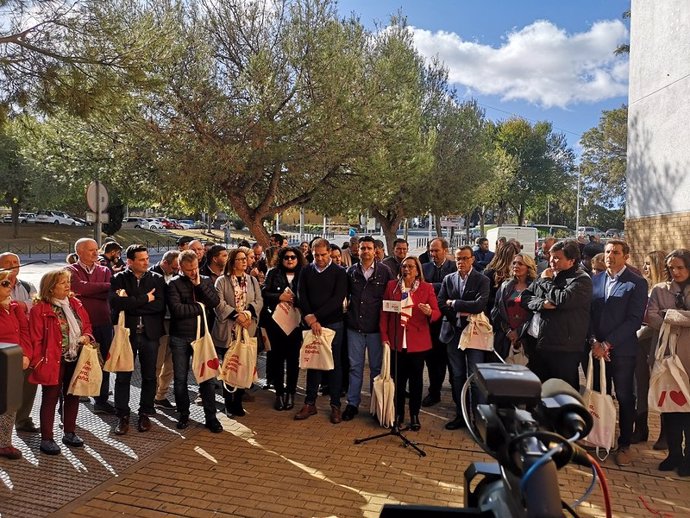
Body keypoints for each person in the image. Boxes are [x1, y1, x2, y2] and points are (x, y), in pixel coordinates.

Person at [588, 240, 648, 467]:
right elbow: (589, 315)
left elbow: (634, 320)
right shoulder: (595, 280)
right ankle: (599, 438)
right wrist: (594, 342)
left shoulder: (637, 283)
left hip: (621, 352)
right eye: (607, 252)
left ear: (626, 256)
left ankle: (624, 444)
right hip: (596, 351)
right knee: (599, 395)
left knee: (624, 397)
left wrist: (608, 344)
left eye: (615, 252)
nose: (610, 256)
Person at [28, 269, 93, 455]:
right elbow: (36, 339)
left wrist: (87, 336)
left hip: (75, 356)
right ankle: (47, 438)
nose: (67, 285)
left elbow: (86, 324)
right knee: (50, 398)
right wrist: (39, 362)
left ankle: (69, 432)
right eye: (62, 282)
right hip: (52, 360)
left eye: (68, 281)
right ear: (50, 288)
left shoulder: (75, 303)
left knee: (73, 394)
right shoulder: (40, 309)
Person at [109, 245, 166, 435]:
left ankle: (145, 412)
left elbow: (159, 306)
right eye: (141, 259)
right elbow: (116, 303)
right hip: (127, 334)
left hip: (150, 334)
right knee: (123, 376)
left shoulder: (157, 279)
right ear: (130, 262)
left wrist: (133, 303)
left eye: (147, 258)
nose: (146, 262)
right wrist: (145, 299)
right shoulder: (119, 279)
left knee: (150, 376)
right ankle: (122, 415)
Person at [521, 240, 592, 390]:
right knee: (538, 391)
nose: (552, 261)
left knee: (562, 392)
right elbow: (525, 297)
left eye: (557, 258)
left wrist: (547, 282)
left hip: (563, 348)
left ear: (571, 260)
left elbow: (562, 299)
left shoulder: (581, 280)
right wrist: (541, 304)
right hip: (539, 343)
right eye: (551, 257)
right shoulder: (547, 274)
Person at [380, 256, 441, 431]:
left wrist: (429, 312)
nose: (407, 269)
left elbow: (437, 312)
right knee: (398, 381)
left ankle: (414, 414)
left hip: (418, 342)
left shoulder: (426, 287)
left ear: (417, 270)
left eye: (411, 267)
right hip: (396, 341)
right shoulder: (392, 286)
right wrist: (384, 336)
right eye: (404, 266)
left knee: (416, 381)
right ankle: (398, 414)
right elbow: (384, 313)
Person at [166, 250, 222, 432]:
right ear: (180, 267)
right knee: (180, 379)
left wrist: (198, 286)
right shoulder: (173, 284)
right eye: (189, 270)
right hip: (180, 337)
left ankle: (211, 417)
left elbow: (214, 302)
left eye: (195, 268)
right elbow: (176, 310)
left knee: (207, 378)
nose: (193, 272)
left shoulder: (204, 280)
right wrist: (200, 307)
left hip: (202, 336)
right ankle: (183, 414)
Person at [646, 249, 690, 476]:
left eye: (680, 267)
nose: (676, 272)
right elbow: (651, 316)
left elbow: (663, 317)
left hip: (689, 359)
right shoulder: (659, 289)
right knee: (670, 409)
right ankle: (674, 454)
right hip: (666, 358)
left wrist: (670, 316)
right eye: (672, 268)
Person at [295, 238, 348, 424]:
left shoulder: (340, 272)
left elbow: (337, 298)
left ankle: (335, 405)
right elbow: (301, 294)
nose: (319, 258)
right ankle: (310, 403)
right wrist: (309, 317)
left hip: (333, 324)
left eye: (323, 255)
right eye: (316, 255)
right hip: (311, 325)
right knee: (313, 363)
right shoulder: (306, 270)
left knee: (334, 365)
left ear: (329, 252)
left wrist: (315, 317)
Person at [342, 237, 394, 421]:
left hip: (376, 329)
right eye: (362, 248)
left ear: (375, 251)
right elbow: (344, 295)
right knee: (355, 368)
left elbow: (390, 299)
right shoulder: (350, 272)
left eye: (368, 248)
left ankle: (375, 405)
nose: (365, 251)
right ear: (358, 250)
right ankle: (352, 404)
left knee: (376, 369)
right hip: (354, 327)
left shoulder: (385, 272)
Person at [438, 246, 490, 430]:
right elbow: (440, 303)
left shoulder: (482, 280)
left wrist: (455, 304)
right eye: (458, 259)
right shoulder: (448, 279)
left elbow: (479, 305)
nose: (461, 262)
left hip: (474, 334)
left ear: (473, 259)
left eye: (465, 258)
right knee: (457, 376)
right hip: (453, 332)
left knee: (475, 378)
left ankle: (478, 420)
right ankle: (462, 416)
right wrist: (457, 315)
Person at [67, 238, 117, 415]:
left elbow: (110, 291)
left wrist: (89, 291)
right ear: (79, 252)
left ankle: (101, 400)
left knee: (104, 361)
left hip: (103, 321)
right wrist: (100, 289)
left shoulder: (105, 269)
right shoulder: (70, 270)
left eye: (97, 249)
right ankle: (71, 402)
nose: (96, 253)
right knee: (76, 362)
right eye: (91, 250)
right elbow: (78, 287)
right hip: (81, 325)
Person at [212, 247, 263, 417]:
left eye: (245, 259)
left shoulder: (252, 280)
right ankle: (229, 403)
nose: (244, 261)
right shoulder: (222, 281)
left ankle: (238, 401)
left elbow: (258, 300)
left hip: (247, 330)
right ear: (232, 263)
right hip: (229, 331)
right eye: (240, 259)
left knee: (244, 366)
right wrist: (236, 315)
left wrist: (248, 313)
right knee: (229, 367)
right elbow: (218, 304)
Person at [632, 250, 669, 447]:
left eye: (648, 264)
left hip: (658, 344)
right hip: (639, 346)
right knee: (639, 387)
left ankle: (665, 434)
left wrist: (638, 332)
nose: (644, 268)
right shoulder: (644, 288)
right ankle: (641, 427)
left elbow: (659, 322)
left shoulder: (665, 291)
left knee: (663, 388)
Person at [261, 247, 305, 411]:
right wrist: (279, 297)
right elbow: (264, 292)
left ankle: (290, 393)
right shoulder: (273, 272)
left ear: (298, 258)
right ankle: (279, 393)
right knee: (277, 360)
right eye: (286, 257)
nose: (290, 260)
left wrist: (297, 300)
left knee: (293, 361)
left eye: (293, 257)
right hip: (276, 323)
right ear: (281, 259)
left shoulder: (304, 272)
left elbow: (309, 295)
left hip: (296, 324)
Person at [0, 252, 39, 433]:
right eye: (7, 262)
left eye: (15, 262)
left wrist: (27, 353)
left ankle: (22, 419)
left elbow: (36, 304)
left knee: (28, 382)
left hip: (24, 345)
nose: (13, 265)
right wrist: (26, 304)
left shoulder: (26, 285)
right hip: (4, 354)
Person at [421, 237, 456, 407]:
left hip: (450, 321)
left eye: (436, 250)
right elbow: (419, 287)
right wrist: (441, 286)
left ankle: (457, 396)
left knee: (451, 362)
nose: (433, 254)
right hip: (430, 322)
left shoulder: (454, 268)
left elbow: (453, 290)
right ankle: (434, 392)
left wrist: (432, 287)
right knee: (433, 361)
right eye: (431, 251)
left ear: (445, 251)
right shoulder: (424, 268)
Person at [0, 271, 31, 459]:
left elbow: (25, 331)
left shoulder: (14, 307)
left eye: (9, 282)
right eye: (4, 282)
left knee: (9, 404)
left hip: (14, 361)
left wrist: (25, 354)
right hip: (2, 360)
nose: (10, 285)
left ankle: (5, 443)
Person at [491, 254, 537, 360]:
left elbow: (535, 313)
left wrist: (519, 332)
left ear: (529, 267)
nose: (516, 266)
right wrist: (508, 331)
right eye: (514, 263)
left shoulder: (536, 287)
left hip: (527, 338)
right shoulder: (505, 286)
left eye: (520, 264)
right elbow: (496, 310)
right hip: (505, 336)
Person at [150, 250, 180, 410]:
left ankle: (161, 395)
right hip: (160, 324)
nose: (176, 271)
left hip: (174, 324)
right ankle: (151, 397)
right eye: (174, 267)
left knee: (171, 362)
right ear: (165, 263)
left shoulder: (176, 275)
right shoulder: (152, 275)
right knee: (157, 362)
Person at [483, 241, 520, 318]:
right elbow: (485, 298)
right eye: (513, 258)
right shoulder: (490, 273)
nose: (515, 263)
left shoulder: (516, 273)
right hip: (494, 314)